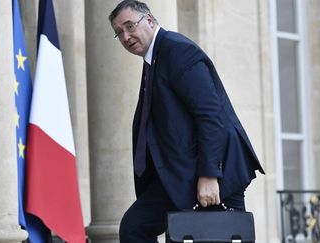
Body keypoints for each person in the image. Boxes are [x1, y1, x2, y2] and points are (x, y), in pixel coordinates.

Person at [109, 1, 265, 242]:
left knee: (140, 228)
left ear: (149, 20)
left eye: (130, 26)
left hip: (217, 171)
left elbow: (210, 115)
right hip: (182, 171)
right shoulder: (155, 58)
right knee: (135, 227)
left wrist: (210, 175)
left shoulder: (177, 51)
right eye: (119, 32)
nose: (126, 36)